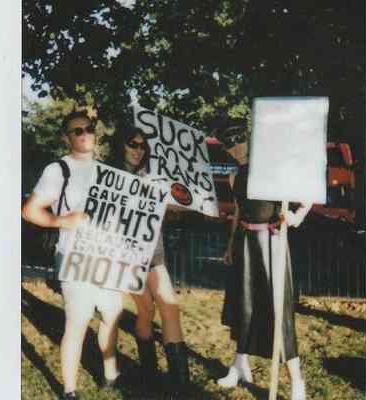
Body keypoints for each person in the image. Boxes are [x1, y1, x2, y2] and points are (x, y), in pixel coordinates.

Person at [22, 110, 124, 400]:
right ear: (66, 137)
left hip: (108, 257)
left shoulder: (107, 171)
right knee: (78, 322)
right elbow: (29, 210)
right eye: (76, 131)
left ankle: (110, 374)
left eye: (88, 128)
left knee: (111, 315)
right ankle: (69, 390)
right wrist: (60, 221)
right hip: (74, 257)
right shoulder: (58, 170)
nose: (84, 134)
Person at [213, 120, 312, 400]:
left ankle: (296, 382)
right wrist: (231, 245)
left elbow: (307, 196)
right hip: (245, 243)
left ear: (248, 136)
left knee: (278, 310)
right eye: (227, 143)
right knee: (243, 304)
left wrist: (296, 217)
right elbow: (236, 212)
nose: (233, 147)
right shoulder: (235, 176)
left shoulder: (272, 169)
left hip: (272, 243)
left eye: (236, 139)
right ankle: (240, 365)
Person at [107, 122, 190, 398]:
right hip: (127, 254)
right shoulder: (109, 176)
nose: (138, 150)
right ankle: (150, 375)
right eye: (133, 144)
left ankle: (180, 385)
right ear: (121, 145)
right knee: (146, 311)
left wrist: (180, 203)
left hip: (154, 251)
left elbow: (174, 208)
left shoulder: (155, 175)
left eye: (143, 146)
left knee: (170, 306)